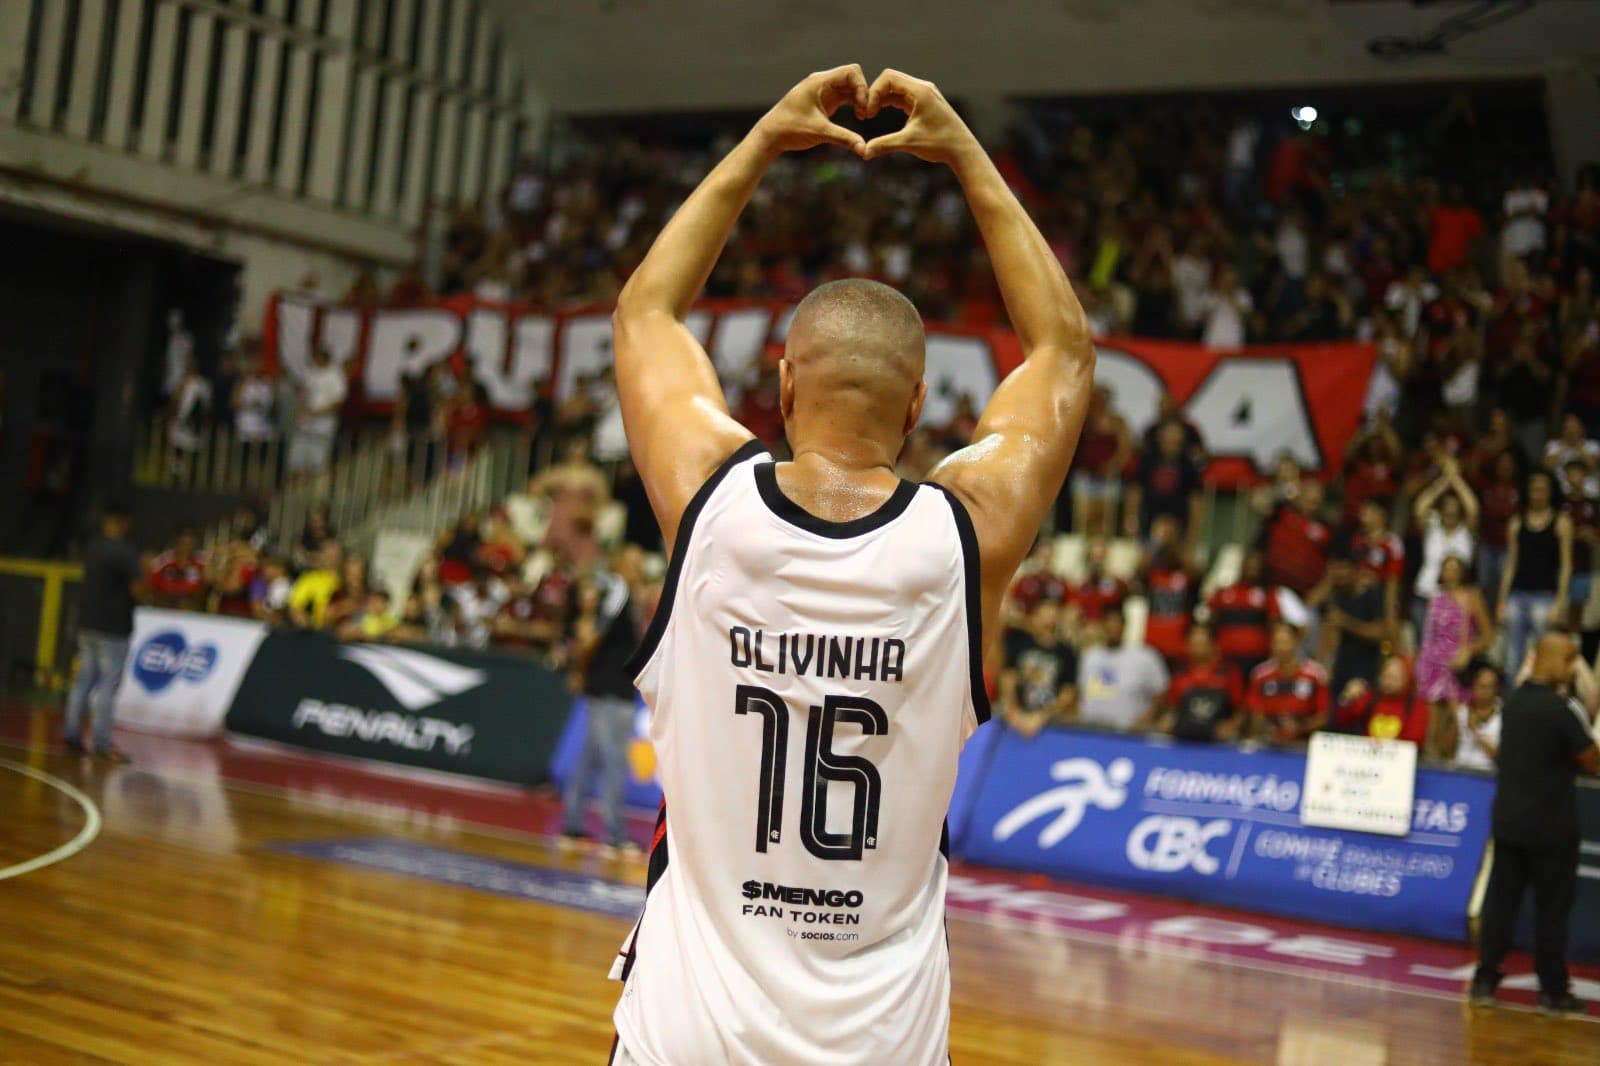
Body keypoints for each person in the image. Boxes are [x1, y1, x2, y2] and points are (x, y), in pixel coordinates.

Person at [603, 67, 1094, 1065]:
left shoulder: (707, 500)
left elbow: (644, 315)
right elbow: (1064, 350)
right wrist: (963, 151)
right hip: (881, 1042)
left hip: (684, 1036)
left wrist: (765, 144)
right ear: (917, 407)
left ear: (781, 383)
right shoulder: (969, 535)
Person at [1470, 631, 1599, 1014]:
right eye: (1570, 659)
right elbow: (1592, 759)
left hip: (1509, 823)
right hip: (1551, 829)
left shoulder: (1514, 703)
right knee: (1551, 910)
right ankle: (1552, 989)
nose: (1574, 666)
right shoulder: (1561, 710)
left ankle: (1484, 978)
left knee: (1501, 904)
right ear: (1550, 660)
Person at [561, 564, 644, 857]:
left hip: (604, 689)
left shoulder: (606, 604)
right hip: (613, 691)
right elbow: (588, 641)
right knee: (614, 762)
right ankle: (614, 834)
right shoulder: (617, 592)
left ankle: (572, 825)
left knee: (590, 758)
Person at [64, 504, 143, 762]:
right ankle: (101, 741)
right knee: (108, 684)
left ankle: (72, 732)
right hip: (113, 628)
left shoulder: (93, 548)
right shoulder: (125, 552)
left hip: (87, 623)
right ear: (124, 523)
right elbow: (138, 590)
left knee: (83, 680)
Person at [1498, 471, 1573, 673]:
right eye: (1534, 489)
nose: (1538, 493)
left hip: (1546, 596)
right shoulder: (1516, 523)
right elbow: (1511, 563)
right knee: (1513, 655)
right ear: (1527, 492)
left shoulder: (1561, 522)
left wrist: (1560, 602)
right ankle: (1512, 700)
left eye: (1542, 489)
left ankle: (1540, 700)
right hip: (1517, 594)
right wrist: (1502, 601)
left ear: (1550, 492)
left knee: (1544, 653)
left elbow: (1566, 566)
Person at [1410, 460, 1478, 639]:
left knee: (1449, 647)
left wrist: (1456, 480)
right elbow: (1420, 506)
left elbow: (1473, 508)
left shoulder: (1465, 532)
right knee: (1424, 647)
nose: (1450, 510)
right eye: (1446, 507)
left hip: (1455, 601)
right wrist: (1444, 481)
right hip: (1425, 595)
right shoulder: (1433, 528)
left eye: (1455, 507)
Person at [1077, 606, 1169, 733]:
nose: (1112, 627)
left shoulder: (1145, 657)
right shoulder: (1090, 656)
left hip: (1128, 734)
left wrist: (1147, 717)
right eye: (1108, 622)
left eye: (1116, 622)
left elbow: (1161, 691)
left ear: (1124, 625)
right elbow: (1081, 692)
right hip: (1091, 729)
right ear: (1101, 625)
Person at [998, 600, 1078, 739]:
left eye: (1052, 612)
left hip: (1050, 724)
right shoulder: (1020, 644)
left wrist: (1043, 716)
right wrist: (1013, 711)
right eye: (1043, 612)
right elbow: (1008, 678)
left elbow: (1068, 693)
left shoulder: (1066, 653)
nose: (1048, 617)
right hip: (1017, 717)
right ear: (1034, 616)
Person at [1158, 622, 1244, 742]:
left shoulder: (1228, 672)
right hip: (1184, 738)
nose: (1198, 647)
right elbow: (1172, 708)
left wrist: (1231, 726)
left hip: (1218, 740)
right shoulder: (1179, 673)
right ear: (1187, 644)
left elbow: (1240, 709)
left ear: (1213, 644)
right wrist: (1168, 720)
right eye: (1194, 643)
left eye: (1202, 643)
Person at [1246, 621, 1330, 744]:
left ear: (1296, 642)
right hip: (1270, 743)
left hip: (1304, 744)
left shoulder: (1316, 674)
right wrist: (1270, 730)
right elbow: (1256, 714)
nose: (1280, 647)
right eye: (1276, 642)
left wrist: (1299, 728)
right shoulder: (1260, 675)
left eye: (1285, 642)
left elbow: (1323, 716)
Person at [287, 348, 347, 476]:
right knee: (298, 456)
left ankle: (316, 486)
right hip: (305, 420)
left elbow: (338, 402)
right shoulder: (311, 373)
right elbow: (304, 393)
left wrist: (317, 412)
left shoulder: (336, 376)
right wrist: (299, 408)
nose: (315, 361)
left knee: (318, 457)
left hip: (324, 421)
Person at [1441, 663, 1503, 773]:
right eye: (1481, 686)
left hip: (1488, 775)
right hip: (1461, 771)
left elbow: (1500, 756)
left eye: (1489, 687)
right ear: (1473, 687)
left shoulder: (1504, 715)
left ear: (1496, 689)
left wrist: (1474, 730)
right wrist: (1456, 721)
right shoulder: (1462, 711)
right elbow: (1446, 750)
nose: (1485, 691)